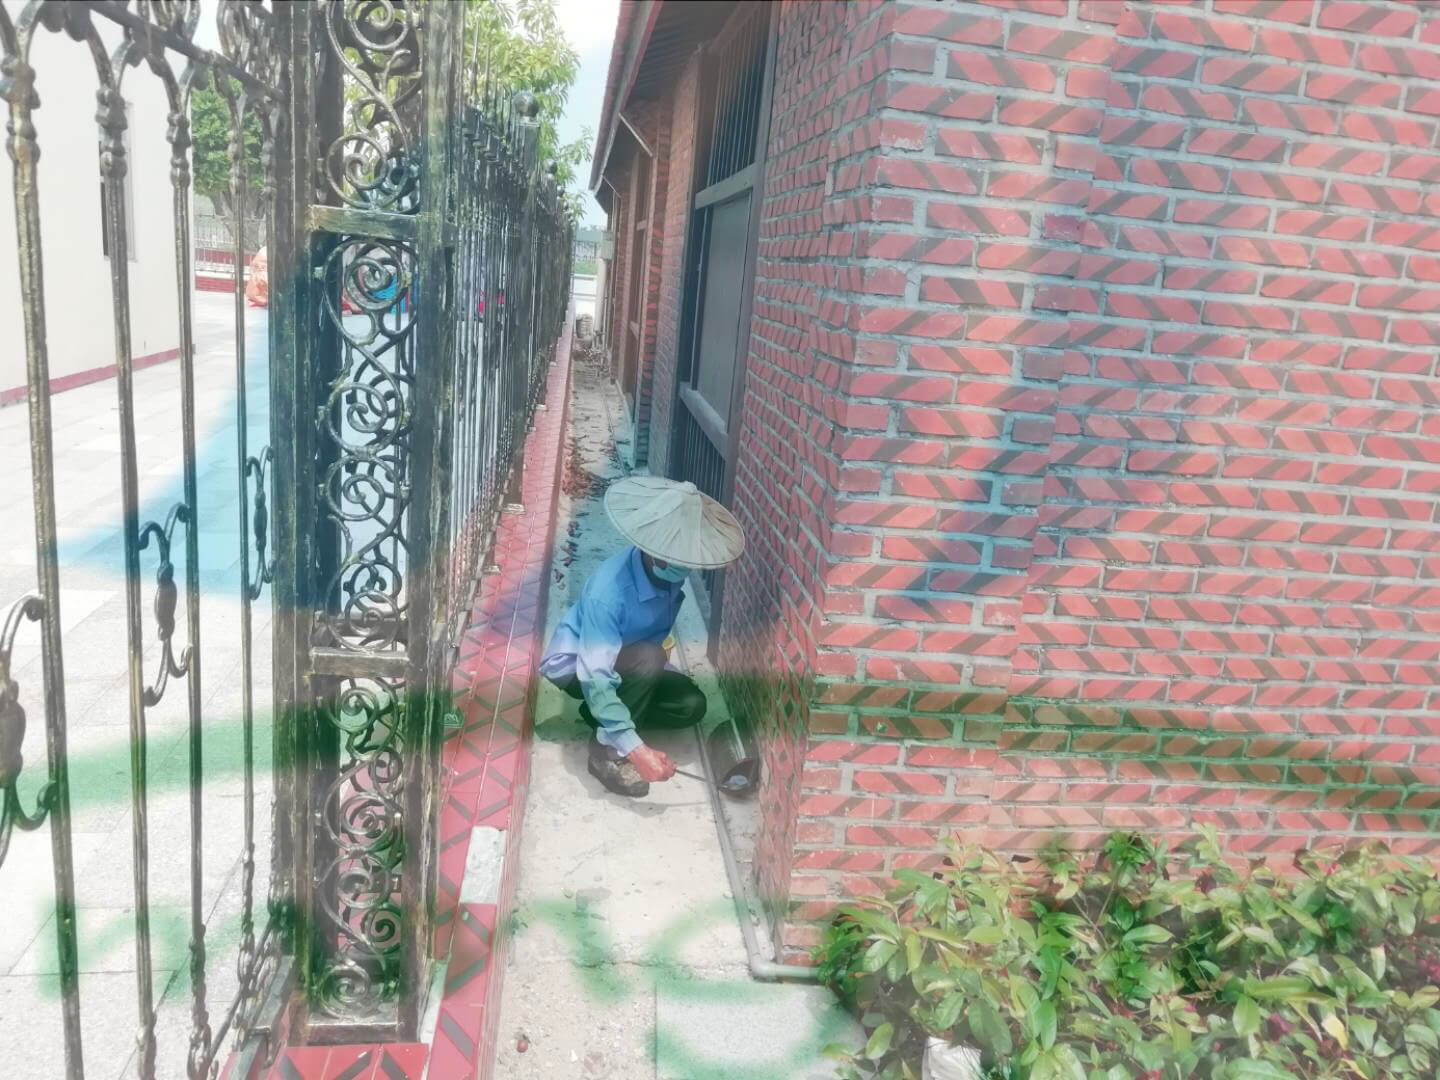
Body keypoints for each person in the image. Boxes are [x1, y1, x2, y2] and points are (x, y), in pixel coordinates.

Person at [538, 476, 745, 797]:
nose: (683, 567)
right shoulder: (609, 594)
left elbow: (651, 643)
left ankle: (603, 716)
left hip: (627, 658)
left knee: (690, 706)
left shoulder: (668, 577)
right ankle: (606, 751)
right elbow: (596, 674)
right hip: (577, 667)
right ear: (652, 550)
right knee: (649, 657)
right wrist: (635, 749)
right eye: (676, 558)